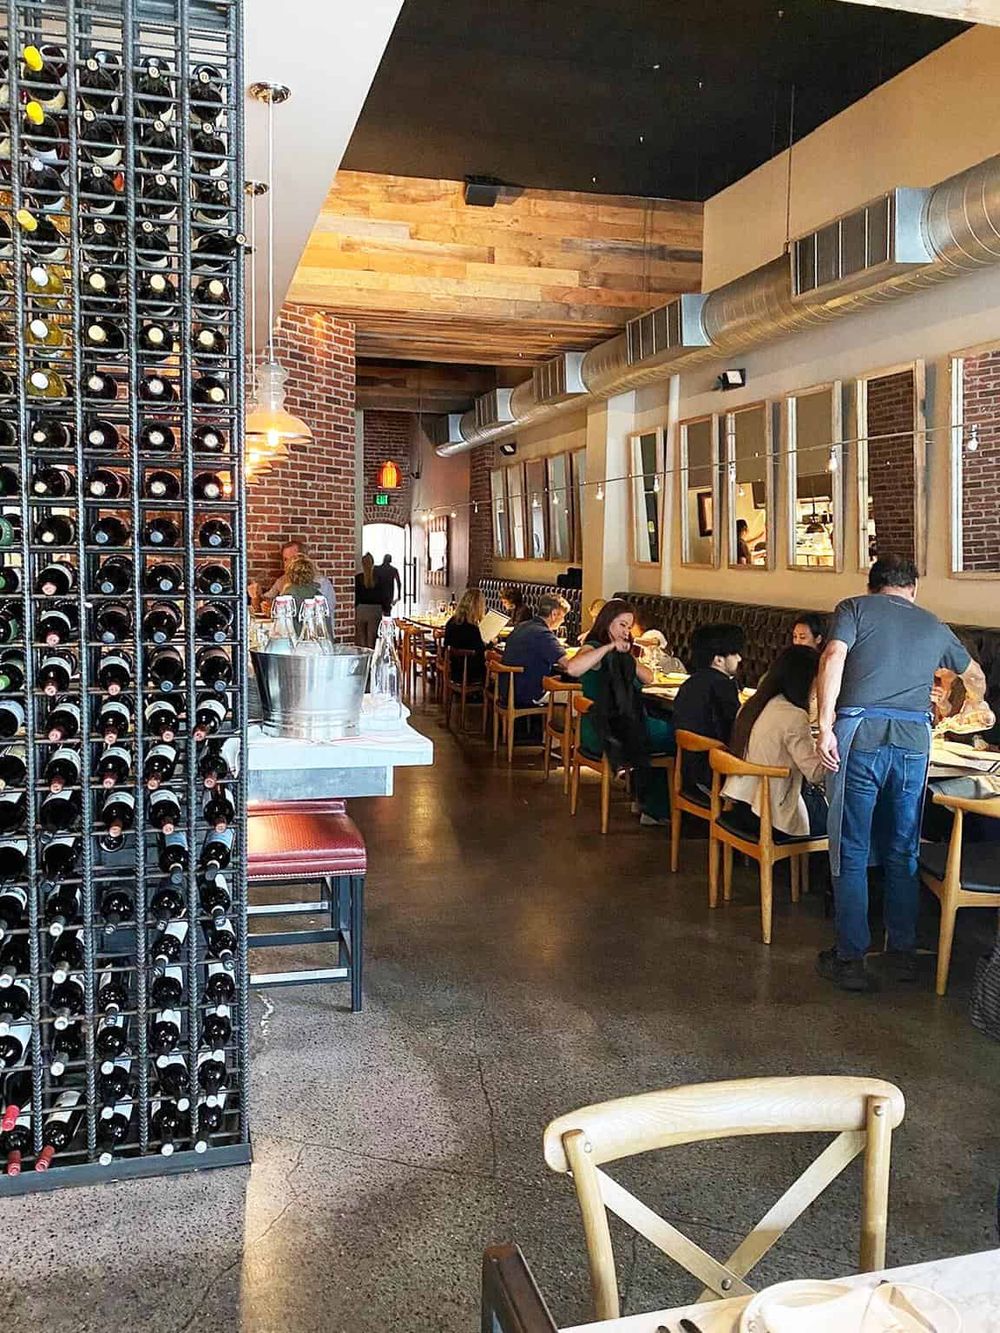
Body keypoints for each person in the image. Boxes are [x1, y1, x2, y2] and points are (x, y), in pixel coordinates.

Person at [815, 555, 987, 992]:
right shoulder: (932, 622)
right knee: (903, 846)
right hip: (914, 738)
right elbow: (975, 675)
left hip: (861, 730)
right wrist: (965, 708)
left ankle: (850, 958)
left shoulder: (853, 609)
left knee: (851, 845)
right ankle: (902, 954)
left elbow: (833, 655)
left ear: (872, 585)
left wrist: (825, 725)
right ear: (913, 588)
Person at [572, 599, 674, 825]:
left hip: (617, 725)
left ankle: (644, 800)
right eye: (622, 625)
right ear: (607, 621)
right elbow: (573, 667)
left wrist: (627, 654)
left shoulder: (622, 655)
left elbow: (649, 677)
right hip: (605, 730)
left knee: (656, 730)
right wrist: (608, 647)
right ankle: (655, 808)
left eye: (629, 626)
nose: (626, 631)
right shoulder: (593, 647)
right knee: (672, 737)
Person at [723, 646, 827, 838]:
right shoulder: (794, 715)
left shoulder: (752, 705)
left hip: (743, 804)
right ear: (805, 679)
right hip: (771, 817)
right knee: (841, 823)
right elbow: (816, 774)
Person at [672, 623, 745, 797]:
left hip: (688, 772)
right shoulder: (723, 686)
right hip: (713, 776)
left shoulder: (689, 683)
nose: (740, 658)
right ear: (718, 659)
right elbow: (734, 731)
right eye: (734, 653)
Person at [501, 592, 573, 709]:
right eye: (563, 616)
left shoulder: (522, 626)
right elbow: (569, 665)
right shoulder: (543, 634)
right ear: (554, 614)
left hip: (507, 690)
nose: (563, 620)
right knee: (577, 696)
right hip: (527, 695)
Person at [250, 538, 336, 622]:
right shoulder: (282, 580)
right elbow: (266, 601)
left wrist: (275, 613)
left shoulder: (321, 583)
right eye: (285, 559)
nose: (288, 563)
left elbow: (311, 616)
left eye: (292, 558)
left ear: (303, 558)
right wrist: (256, 596)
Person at [444, 588, 486, 683]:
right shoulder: (471, 627)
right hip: (468, 671)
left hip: (453, 667)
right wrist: (492, 643)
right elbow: (480, 651)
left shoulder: (452, 621)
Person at [355, 552, 387, 649]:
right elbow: (383, 596)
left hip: (361, 610)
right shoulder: (379, 578)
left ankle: (362, 657)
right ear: (373, 563)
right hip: (375, 610)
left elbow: (356, 596)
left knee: (361, 640)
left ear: (362, 564)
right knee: (372, 641)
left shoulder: (358, 578)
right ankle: (371, 658)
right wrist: (385, 609)